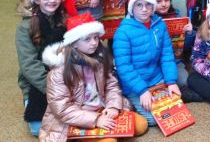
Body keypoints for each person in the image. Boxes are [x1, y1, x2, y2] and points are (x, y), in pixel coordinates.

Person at [38, 12, 148, 141]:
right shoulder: (58, 73)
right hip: (78, 118)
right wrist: (96, 119)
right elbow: (63, 110)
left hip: (102, 108)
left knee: (141, 125)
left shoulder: (100, 59)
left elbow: (112, 85)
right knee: (110, 141)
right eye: (87, 39)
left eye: (96, 37)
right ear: (74, 43)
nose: (94, 43)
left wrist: (113, 106)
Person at [15, 0, 77, 137]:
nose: (52, 0)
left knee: (73, 120)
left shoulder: (66, 19)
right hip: (38, 83)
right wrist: (55, 90)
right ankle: (29, 101)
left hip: (65, 76)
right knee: (38, 129)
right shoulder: (24, 28)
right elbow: (29, 65)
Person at [112, 0, 180, 126]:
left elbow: (166, 56)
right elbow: (124, 67)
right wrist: (142, 91)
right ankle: (128, 100)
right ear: (132, 7)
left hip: (155, 77)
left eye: (148, 4)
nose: (144, 9)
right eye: (139, 5)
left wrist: (171, 82)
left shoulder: (159, 25)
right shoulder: (123, 32)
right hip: (134, 83)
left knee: (173, 108)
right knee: (153, 119)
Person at [152, 0, 195, 95]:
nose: (163, 4)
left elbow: (185, 47)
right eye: (159, 1)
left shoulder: (177, 16)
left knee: (183, 80)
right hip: (154, 63)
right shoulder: (149, 18)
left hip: (175, 60)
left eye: (166, 0)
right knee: (156, 82)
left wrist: (189, 33)